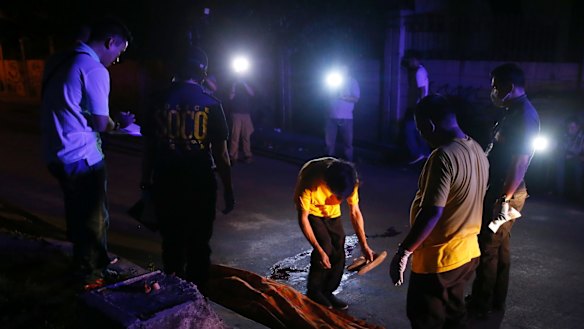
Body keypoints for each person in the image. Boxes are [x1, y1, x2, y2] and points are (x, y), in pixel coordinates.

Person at [40, 16, 134, 289]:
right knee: (92, 219)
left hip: (55, 152)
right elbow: (102, 124)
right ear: (110, 42)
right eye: (120, 51)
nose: (117, 59)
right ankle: (88, 276)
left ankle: (98, 263)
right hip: (82, 155)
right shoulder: (93, 69)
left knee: (81, 212)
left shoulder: (57, 60)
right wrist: (123, 125)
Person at [389, 95, 489, 328]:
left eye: (420, 129)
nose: (421, 136)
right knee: (454, 317)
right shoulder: (477, 150)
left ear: (429, 125)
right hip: (468, 254)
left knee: (425, 319)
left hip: (440, 259)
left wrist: (404, 252)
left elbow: (432, 211)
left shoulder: (442, 156)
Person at [140, 46, 234, 289]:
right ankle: (198, 297)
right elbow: (222, 155)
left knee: (171, 242)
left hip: (165, 181)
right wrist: (228, 189)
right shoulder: (211, 104)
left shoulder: (156, 101)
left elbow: (149, 148)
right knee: (199, 244)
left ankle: (173, 294)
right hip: (199, 182)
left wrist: (145, 182)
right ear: (203, 73)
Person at [467, 63, 540, 318]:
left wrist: (504, 198)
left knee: (488, 246)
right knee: (500, 246)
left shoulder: (524, 117)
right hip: (506, 189)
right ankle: (495, 300)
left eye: (496, 86)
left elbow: (520, 161)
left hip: (507, 190)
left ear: (509, 88)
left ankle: (480, 303)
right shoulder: (514, 111)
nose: (493, 91)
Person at [293, 157, 375, 310]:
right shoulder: (310, 178)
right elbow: (303, 218)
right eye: (338, 196)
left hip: (332, 214)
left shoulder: (350, 179)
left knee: (338, 247)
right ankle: (314, 291)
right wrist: (319, 249)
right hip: (313, 212)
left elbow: (355, 212)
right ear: (327, 184)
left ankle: (328, 291)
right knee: (325, 247)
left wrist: (364, 245)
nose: (340, 200)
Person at [325, 65, 360, 162]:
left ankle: (349, 163)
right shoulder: (332, 81)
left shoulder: (352, 82)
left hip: (346, 117)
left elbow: (356, 98)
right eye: (340, 69)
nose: (341, 70)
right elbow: (326, 96)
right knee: (329, 143)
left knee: (348, 143)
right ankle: (329, 162)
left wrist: (343, 97)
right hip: (331, 116)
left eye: (344, 69)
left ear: (347, 70)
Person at [403, 52, 431, 165]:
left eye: (410, 60)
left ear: (415, 60)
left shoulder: (419, 72)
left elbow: (422, 90)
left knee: (408, 129)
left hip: (417, 106)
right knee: (419, 130)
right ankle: (425, 153)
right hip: (420, 106)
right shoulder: (421, 70)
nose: (409, 63)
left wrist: (419, 105)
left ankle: (417, 153)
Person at [554, 115, 584, 201]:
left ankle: (578, 194)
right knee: (559, 163)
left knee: (578, 167)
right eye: (569, 127)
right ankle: (560, 193)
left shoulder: (582, 137)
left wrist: (578, 157)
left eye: (573, 127)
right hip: (566, 158)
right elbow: (560, 149)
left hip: (579, 158)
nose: (571, 129)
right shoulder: (564, 135)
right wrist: (564, 155)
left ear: (578, 127)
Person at [228, 77, 255, 163]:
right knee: (235, 135)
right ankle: (233, 155)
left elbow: (252, 94)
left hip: (246, 113)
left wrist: (244, 83)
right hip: (236, 113)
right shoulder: (232, 83)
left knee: (246, 135)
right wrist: (234, 85)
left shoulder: (247, 83)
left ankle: (247, 155)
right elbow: (230, 97)